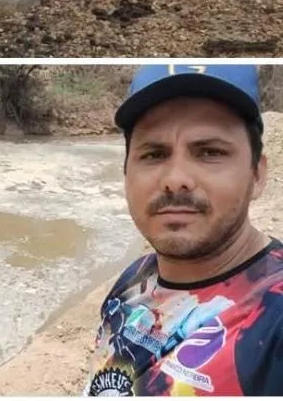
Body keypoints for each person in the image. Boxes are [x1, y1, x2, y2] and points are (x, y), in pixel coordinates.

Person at [84, 64, 282, 396]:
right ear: (126, 174)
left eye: (210, 152)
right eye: (154, 154)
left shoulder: (271, 322)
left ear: (257, 174)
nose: (176, 178)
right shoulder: (136, 277)